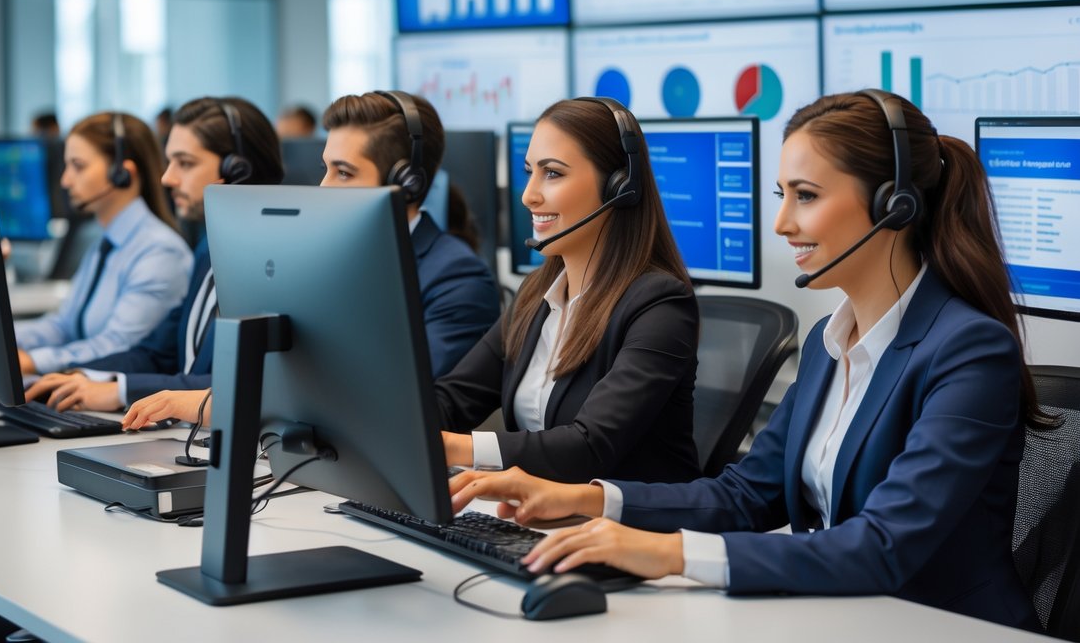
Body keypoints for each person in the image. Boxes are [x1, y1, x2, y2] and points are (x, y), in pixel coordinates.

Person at [448, 90, 1046, 632]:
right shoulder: (826, 342)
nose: (783, 223)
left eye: (806, 197)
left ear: (894, 206)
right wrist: (590, 500)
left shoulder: (969, 351)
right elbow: (746, 495)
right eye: (782, 196)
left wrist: (668, 553)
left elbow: (884, 546)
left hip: (940, 626)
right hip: (841, 614)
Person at [122, 90, 501, 430]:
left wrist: (217, 404)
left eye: (344, 172)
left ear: (405, 185)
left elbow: (402, 407)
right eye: (326, 169)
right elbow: (275, 374)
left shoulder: (457, 280)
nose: (323, 189)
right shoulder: (315, 263)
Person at [432, 97, 699, 485]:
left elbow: (588, 447)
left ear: (618, 187)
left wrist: (456, 449)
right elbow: (454, 399)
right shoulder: (535, 295)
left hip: (629, 532)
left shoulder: (660, 305)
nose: (529, 195)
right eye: (530, 172)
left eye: (552, 174)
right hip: (538, 517)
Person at [23, 99, 284, 412]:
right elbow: (159, 352)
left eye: (185, 163)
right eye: (169, 161)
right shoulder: (208, 249)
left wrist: (118, 392)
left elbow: (241, 383)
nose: (167, 178)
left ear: (238, 171)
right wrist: (84, 376)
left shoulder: (274, 267)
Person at [14, 112, 193, 375]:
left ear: (122, 173)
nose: (65, 180)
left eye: (78, 165)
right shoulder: (104, 242)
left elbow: (118, 346)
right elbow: (64, 325)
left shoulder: (160, 253)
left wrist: (32, 362)